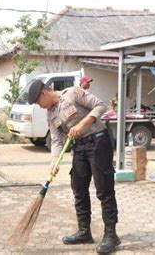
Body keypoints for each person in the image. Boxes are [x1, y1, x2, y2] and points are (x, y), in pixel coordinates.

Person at [27, 79, 120, 253]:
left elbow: (100, 106)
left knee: (104, 189)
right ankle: (84, 232)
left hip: (98, 141)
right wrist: (54, 163)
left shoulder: (72, 94)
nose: (39, 106)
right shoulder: (51, 114)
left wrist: (82, 124)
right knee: (78, 188)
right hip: (79, 147)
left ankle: (111, 235)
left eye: (38, 102)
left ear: (43, 93)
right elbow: (56, 141)